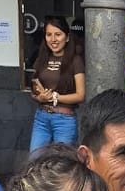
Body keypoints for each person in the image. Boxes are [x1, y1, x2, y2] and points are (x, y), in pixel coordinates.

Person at [29, 16, 85, 151]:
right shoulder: (42, 59)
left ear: (67, 37)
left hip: (64, 120)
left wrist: (55, 97)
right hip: (41, 118)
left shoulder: (75, 60)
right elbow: (34, 90)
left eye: (58, 34)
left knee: (62, 160)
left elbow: (80, 95)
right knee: (34, 158)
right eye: (49, 35)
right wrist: (39, 98)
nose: (53, 39)